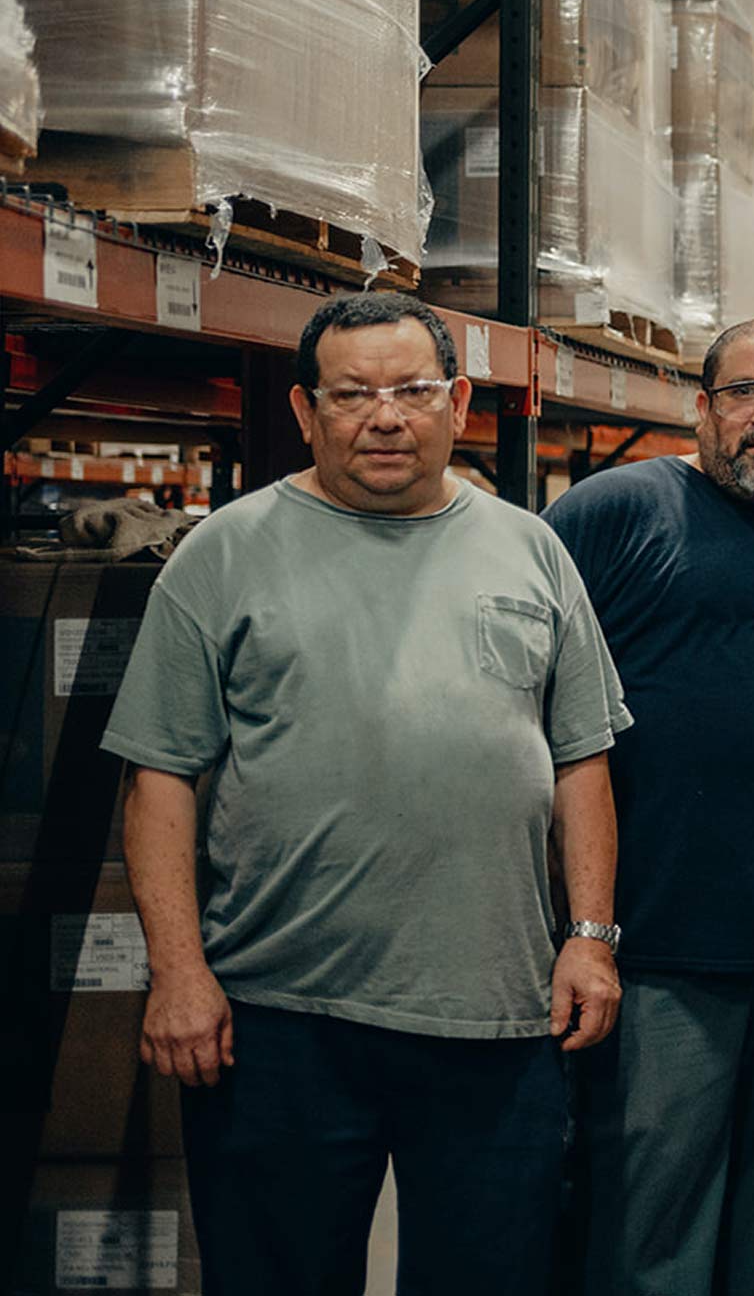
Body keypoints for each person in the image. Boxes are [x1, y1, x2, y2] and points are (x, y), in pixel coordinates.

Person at [102, 292, 626, 1296]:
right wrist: (177, 970)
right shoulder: (224, 551)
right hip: (280, 1016)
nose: (385, 416)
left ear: (459, 400)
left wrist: (591, 935)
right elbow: (159, 772)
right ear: (305, 410)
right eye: (352, 394)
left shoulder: (530, 547)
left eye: (412, 390)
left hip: (493, 1015)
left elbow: (582, 757)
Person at [547, 318, 754, 1296]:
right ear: (703, 407)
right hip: (663, 944)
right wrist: (581, 925)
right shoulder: (620, 508)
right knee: (655, 1219)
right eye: (745, 393)